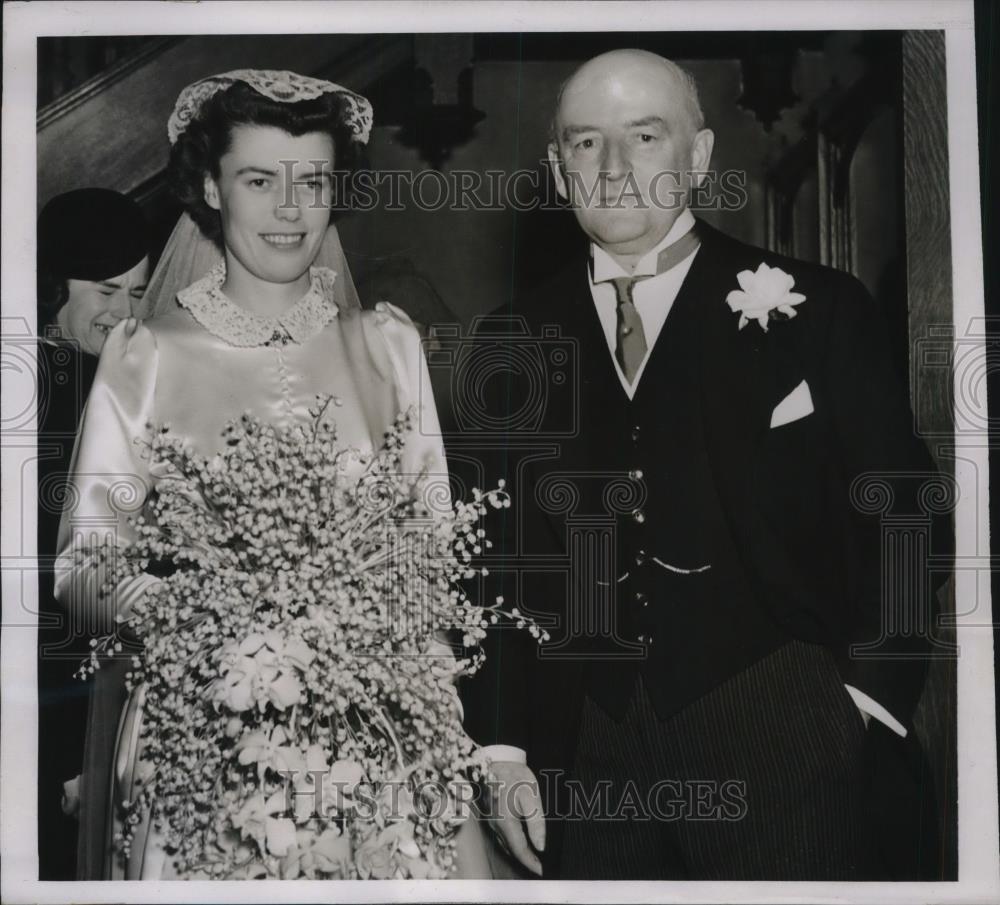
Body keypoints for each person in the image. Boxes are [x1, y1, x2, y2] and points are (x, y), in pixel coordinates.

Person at [461, 49, 952, 880]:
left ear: (697, 156)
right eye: (584, 143)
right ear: (556, 167)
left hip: (785, 731)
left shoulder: (820, 308)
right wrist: (503, 743)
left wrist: (865, 702)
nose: (613, 168)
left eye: (644, 136)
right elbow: (496, 557)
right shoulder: (511, 338)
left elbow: (907, 512)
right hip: (584, 753)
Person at [54, 69, 489, 880]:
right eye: (260, 180)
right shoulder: (145, 357)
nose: (291, 208)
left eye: (312, 180)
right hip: (204, 738)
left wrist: (433, 709)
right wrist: (212, 624)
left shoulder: (389, 346)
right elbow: (83, 571)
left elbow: (429, 551)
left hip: (381, 735)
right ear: (212, 189)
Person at [35, 188, 150, 879]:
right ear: (56, 283)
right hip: (58, 694)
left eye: (138, 292)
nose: (124, 313)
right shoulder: (66, 380)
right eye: (107, 289)